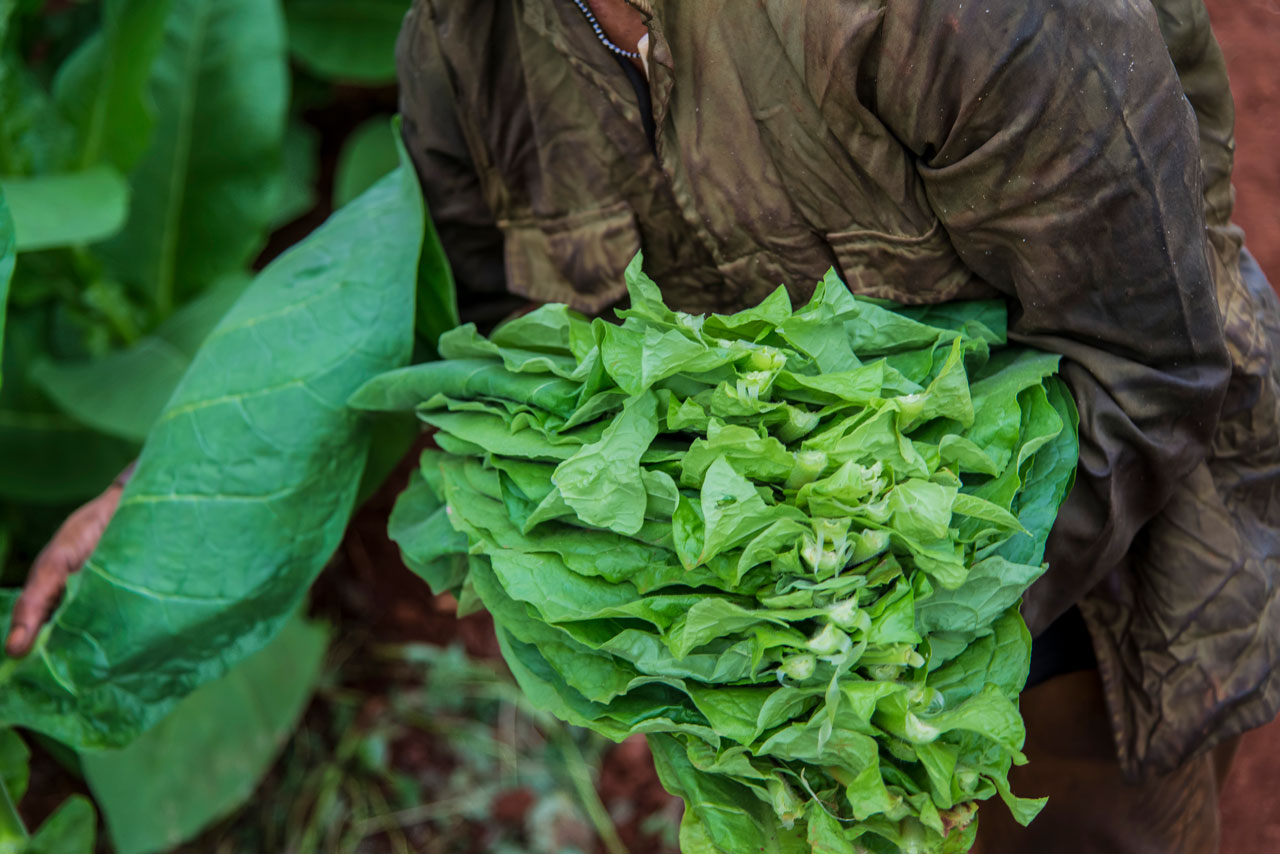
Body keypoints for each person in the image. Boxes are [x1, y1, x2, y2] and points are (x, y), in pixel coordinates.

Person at [8, 0, 1279, 850]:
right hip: (756, 684)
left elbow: (1143, 359)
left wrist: (866, 648)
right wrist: (167, 498)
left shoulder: (961, 19)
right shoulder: (470, 33)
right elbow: (447, 303)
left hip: (1075, 619)